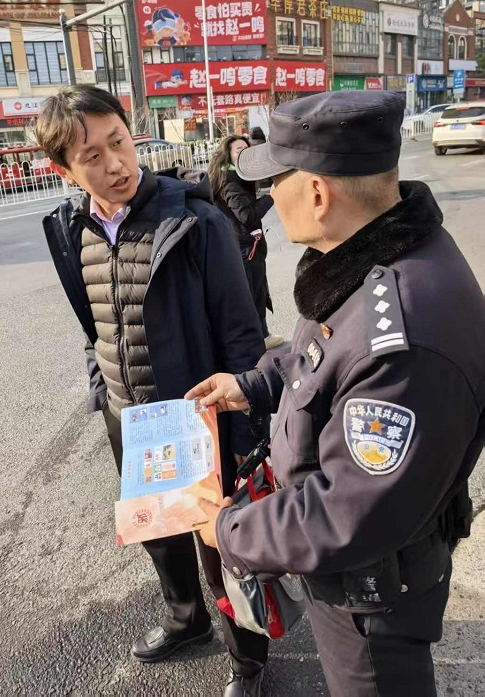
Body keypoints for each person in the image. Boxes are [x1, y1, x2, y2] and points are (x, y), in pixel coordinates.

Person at [187, 90, 485, 697]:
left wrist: (230, 530)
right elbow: (323, 356)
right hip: (359, 571)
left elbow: (347, 513)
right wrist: (252, 385)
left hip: (370, 593)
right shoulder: (376, 253)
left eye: (276, 180)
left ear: (318, 193)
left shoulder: (401, 337)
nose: (270, 197)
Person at [38, 86, 269, 697]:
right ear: (64, 169)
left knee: (221, 545)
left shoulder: (196, 221)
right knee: (158, 534)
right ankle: (185, 619)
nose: (115, 164)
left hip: (199, 418)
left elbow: (241, 334)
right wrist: (104, 392)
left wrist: (243, 430)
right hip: (131, 419)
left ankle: (248, 660)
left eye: (119, 142)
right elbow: (95, 325)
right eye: (92, 156)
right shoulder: (73, 230)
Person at [208, 135, 283, 351]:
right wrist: (270, 197)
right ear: (228, 155)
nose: (244, 153)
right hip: (244, 246)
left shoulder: (235, 177)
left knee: (255, 293)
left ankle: (261, 336)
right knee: (251, 295)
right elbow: (247, 216)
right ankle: (256, 340)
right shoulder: (230, 182)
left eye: (246, 149)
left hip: (244, 245)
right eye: (239, 150)